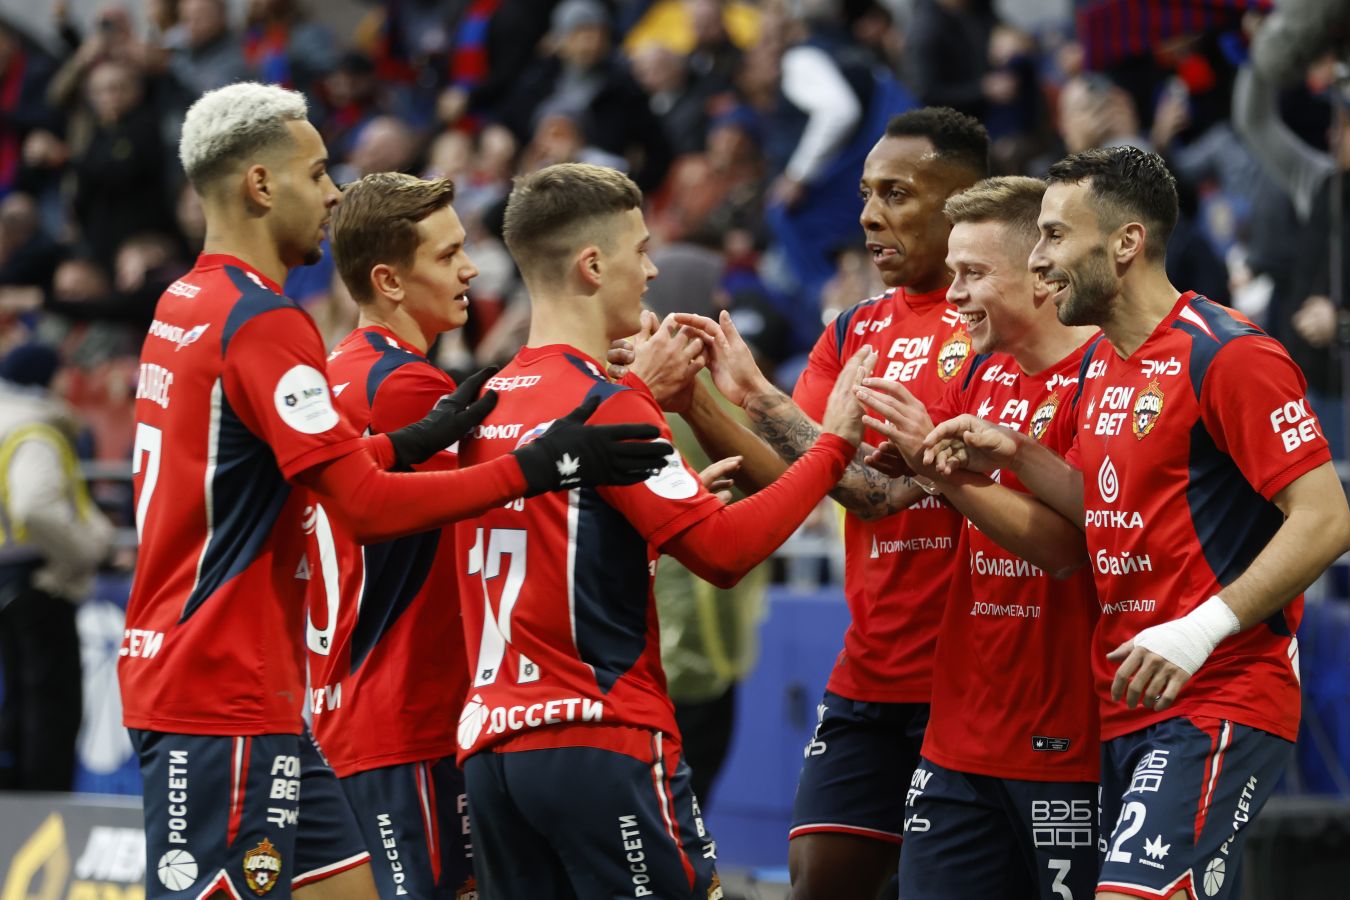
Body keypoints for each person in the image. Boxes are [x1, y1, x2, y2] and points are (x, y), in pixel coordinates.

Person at [118, 82, 667, 900]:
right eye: (317, 173)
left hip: (261, 690)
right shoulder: (265, 321)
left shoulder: (187, 302)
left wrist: (409, 443)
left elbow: (283, 472)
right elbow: (365, 508)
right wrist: (543, 465)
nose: (332, 193)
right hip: (225, 685)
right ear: (261, 185)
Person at [924, 146, 1350, 900]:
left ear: (1126, 243)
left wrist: (1200, 630)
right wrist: (1017, 452)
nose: (1039, 258)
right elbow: (1107, 504)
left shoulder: (1229, 354)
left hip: (1221, 690)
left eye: (1055, 235)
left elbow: (1325, 519)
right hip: (1129, 700)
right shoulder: (1102, 364)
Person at [453, 162, 869, 899]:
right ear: (592, 265)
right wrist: (832, 445)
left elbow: (553, 537)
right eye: (640, 251)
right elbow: (724, 553)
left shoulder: (484, 398)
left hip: (492, 748)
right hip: (599, 735)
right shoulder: (608, 401)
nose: (650, 272)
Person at [650, 106, 989, 900]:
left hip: (977, 679)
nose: (869, 215)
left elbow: (872, 495)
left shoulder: (997, 326)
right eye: (866, 193)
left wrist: (759, 398)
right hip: (872, 668)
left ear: (962, 206)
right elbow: (792, 480)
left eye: (896, 194)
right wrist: (701, 401)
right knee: (820, 882)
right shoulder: (853, 331)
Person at [852, 176, 1102, 899]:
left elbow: (1066, 551)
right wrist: (754, 400)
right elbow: (887, 495)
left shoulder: (1103, 377)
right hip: (959, 733)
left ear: (1042, 275)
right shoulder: (981, 373)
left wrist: (942, 471)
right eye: (952, 272)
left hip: (1067, 737)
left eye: (972, 274)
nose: (953, 295)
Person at [306, 171, 484, 899]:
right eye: (448, 255)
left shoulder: (333, 374)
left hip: (343, 715)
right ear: (389, 281)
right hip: (408, 716)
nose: (470, 269)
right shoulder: (408, 389)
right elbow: (497, 516)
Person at [0, 342, 112, 791]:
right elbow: (34, 506)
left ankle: (16, 811)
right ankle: (45, 811)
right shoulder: (35, 429)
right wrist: (86, 549)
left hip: (10, 580)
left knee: (18, 702)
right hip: (41, 579)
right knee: (51, 706)